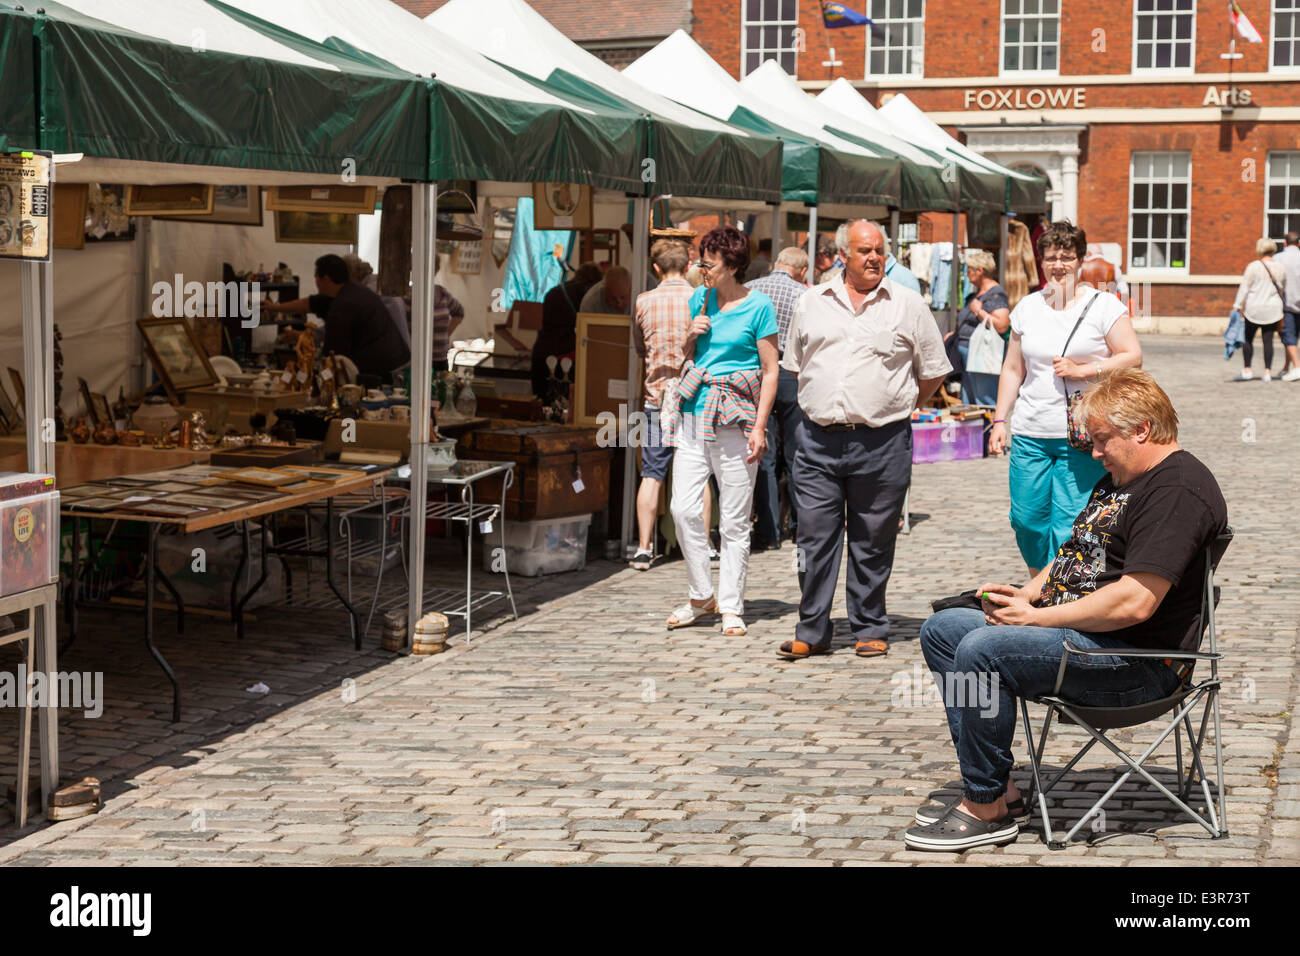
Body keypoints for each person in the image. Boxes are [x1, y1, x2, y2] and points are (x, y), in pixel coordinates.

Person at [905, 369, 1228, 850]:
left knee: (983, 648)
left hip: (1134, 663)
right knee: (945, 628)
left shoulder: (1176, 491)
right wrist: (1028, 595)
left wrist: (1035, 619)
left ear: (1141, 430)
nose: (1094, 453)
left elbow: (1135, 601)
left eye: (1101, 441)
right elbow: (1074, 553)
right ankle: (1001, 789)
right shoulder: (1122, 478)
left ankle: (986, 805)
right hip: (1086, 638)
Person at [778, 220, 951, 662]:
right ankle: (812, 629)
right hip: (816, 441)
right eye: (864, 250)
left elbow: (932, 370)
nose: (873, 257)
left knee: (873, 539)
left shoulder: (908, 305)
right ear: (842, 255)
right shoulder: (811, 302)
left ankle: (869, 626)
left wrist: (896, 402)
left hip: (882, 442)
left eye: (879, 250)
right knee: (813, 538)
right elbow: (797, 365)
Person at [989, 220, 1142, 577]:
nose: (1059, 265)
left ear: (1081, 260)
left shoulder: (1104, 305)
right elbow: (1013, 369)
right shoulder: (1027, 307)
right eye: (1052, 257)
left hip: (1084, 435)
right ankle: (1037, 581)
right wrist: (999, 420)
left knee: (1069, 523)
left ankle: (1058, 592)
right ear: (1041, 260)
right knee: (1026, 520)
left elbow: (1132, 355)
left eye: (1067, 257)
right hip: (1031, 431)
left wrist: (1084, 371)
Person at [663, 226, 779, 638]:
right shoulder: (700, 298)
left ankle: (730, 605)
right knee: (683, 508)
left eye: (707, 262)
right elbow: (688, 358)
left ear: (732, 264)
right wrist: (689, 340)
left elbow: (770, 371)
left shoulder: (759, 306)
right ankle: (701, 595)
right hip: (695, 414)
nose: (700, 269)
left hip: (736, 420)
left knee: (732, 520)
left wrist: (760, 426)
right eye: (700, 260)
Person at [630, 239, 710, 570]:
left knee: (652, 474)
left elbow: (638, 347)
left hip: (656, 396)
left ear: (657, 268)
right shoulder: (699, 299)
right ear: (687, 264)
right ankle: (704, 545)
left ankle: (645, 548)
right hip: (692, 396)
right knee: (699, 475)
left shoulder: (644, 301)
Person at [745, 246, 809, 547]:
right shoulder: (805, 295)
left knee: (764, 455)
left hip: (758, 374)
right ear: (803, 270)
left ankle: (768, 531)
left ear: (776, 265)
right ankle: (799, 527)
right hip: (792, 374)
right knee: (797, 455)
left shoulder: (749, 290)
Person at [263, 254, 410, 381]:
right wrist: (275, 307)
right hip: (394, 358)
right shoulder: (349, 290)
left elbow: (334, 357)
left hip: (384, 367)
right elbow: (310, 303)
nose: (315, 282)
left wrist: (317, 380)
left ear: (325, 279)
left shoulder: (343, 306)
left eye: (316, 277)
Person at [948, 249, 1011, 406]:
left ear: (980, 271)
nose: (967, 275)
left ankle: (988, 430)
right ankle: (975, 431)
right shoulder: (978, 293)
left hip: (982, 354)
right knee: (968, 399)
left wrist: (979, 312)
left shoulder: (996, 295)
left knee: (983, 399)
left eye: (969, 271)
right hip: (970, 352)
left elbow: (1002, 325)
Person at [531, 262, 602, 399]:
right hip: (567, 358)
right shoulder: (590, 296)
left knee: (541, 404)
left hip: (541, 354)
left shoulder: (554, 292)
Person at [1231, 238, 1286, 382]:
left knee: (1248, 339)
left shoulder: (1253, 266)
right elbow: (1283, 286)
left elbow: (1245, 287)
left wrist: (1237, 305)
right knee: (1268, 341)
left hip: (1254, 307)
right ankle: (1267, 372)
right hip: (1273, 308)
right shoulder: (1280, 267)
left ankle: (1247, 369)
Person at [1275, 231, 1300, 380]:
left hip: (1286, 304)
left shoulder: (1278, 258)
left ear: (1284, 243)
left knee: (1288, 336)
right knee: (1292, 337)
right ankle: (1286, 367)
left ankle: (1297, 367)